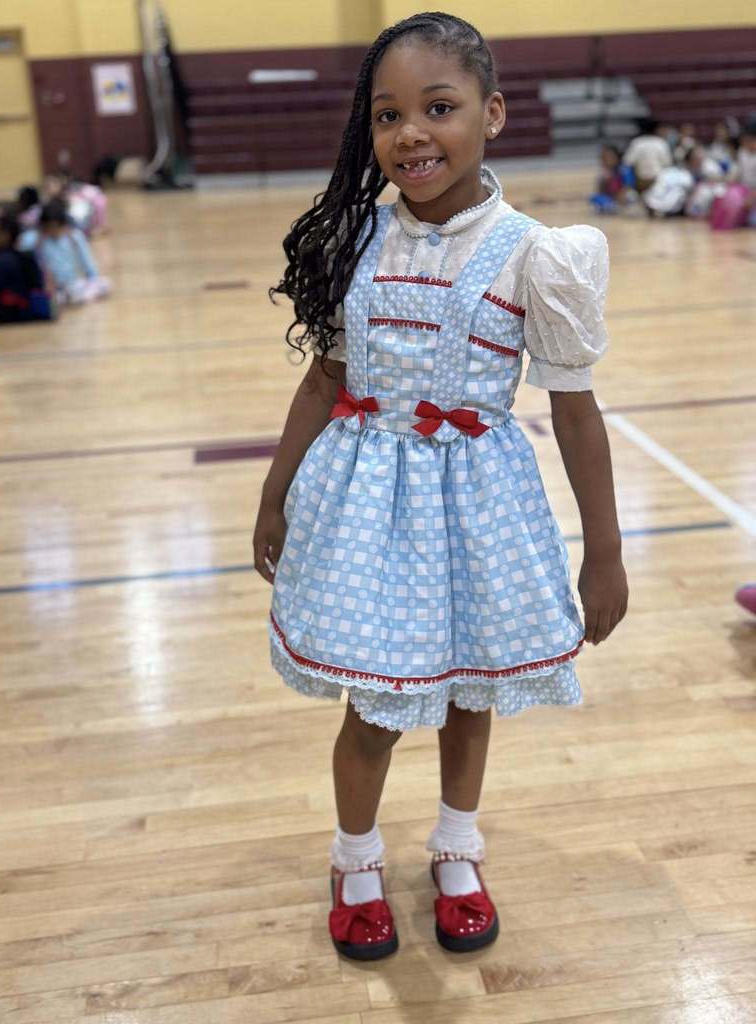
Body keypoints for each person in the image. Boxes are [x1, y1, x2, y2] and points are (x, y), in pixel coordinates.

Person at [253, 12, 628, 962]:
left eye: (439, 107)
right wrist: (274, 492)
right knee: (374, 705)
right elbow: (324, 379)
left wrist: (607, 554)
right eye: (388, 115)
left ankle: (457, 849)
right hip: (367, 505)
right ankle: (356, 860)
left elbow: (577, 415)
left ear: (492, 114)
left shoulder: (535, 255)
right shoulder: (356, 243)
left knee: (471, 694)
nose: (410, 132)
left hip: (481, 509)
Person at [35, 198, 110, 305]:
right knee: (53, 298)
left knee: (104, 284)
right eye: (48, 227)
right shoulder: (40, 242)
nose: (52, 231)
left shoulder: (74, 237)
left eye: (54, 227)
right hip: (56, 287)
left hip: (75, 284)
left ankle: (80, 296)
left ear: (62, 224)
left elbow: (87, 261)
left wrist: (93, 278)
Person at [0, 205, 54, 325]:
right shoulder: (24, 255)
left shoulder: (1, 261)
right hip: (30, 316)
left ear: (5, 235)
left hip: (11, 320)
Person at [622, 118, 673, 192]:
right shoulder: (661, 143)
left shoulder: (637, 143)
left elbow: (627, 162)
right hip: (656, 180)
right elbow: (667, 164)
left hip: (642, 180)